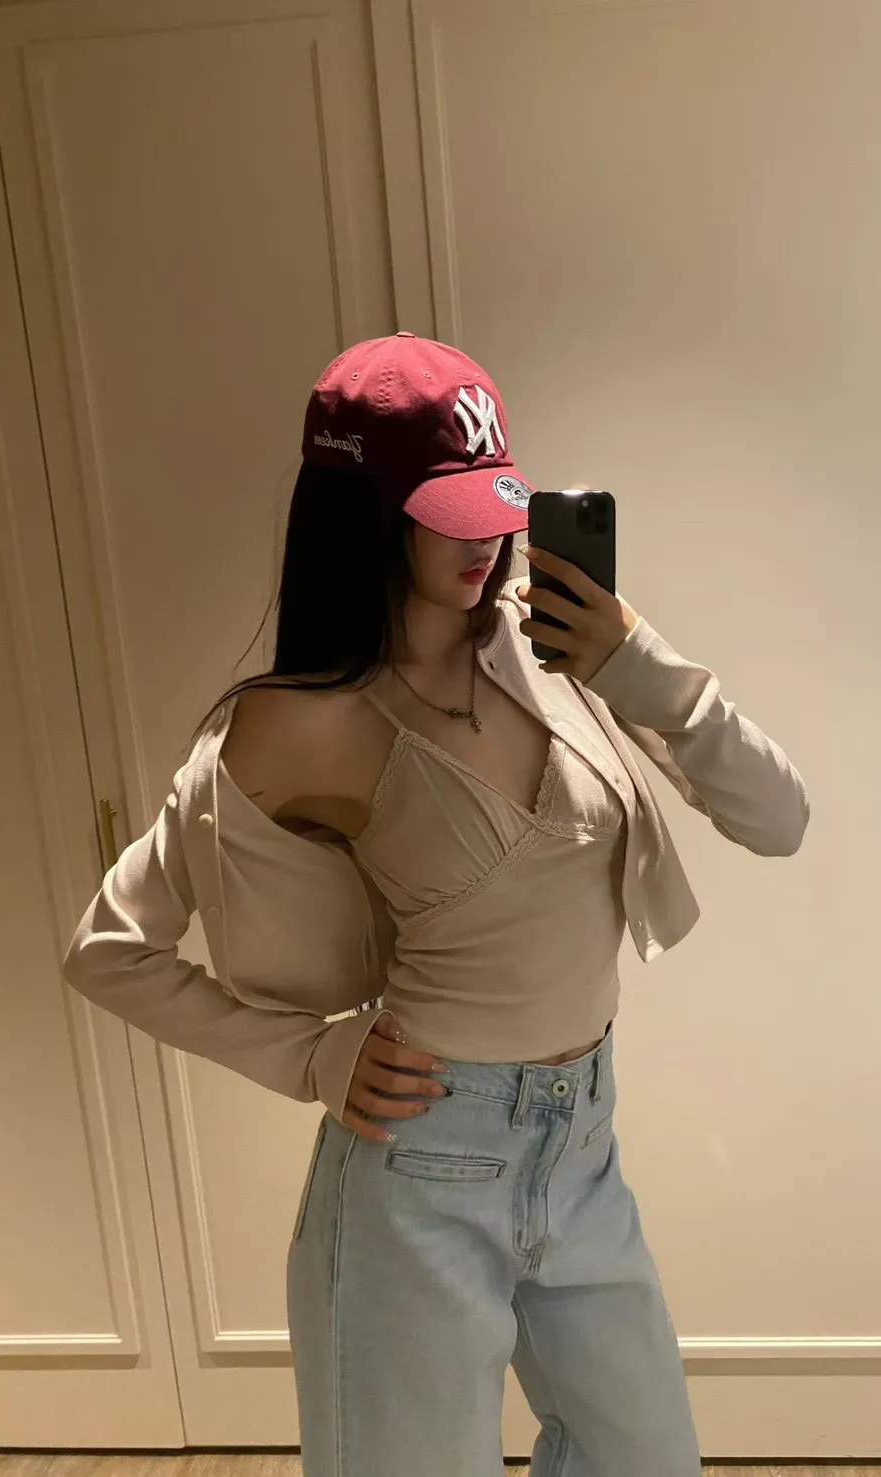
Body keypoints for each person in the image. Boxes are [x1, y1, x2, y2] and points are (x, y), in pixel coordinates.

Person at [64, 333, 809, 1477]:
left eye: (494, 503)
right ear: (363, 516)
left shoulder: (554, 642)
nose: (484, 540)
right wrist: (309, 1056)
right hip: (421, 1168)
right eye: (444, 513)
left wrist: (635, 662)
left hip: (580, 1151)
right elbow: (107, 949)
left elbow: (777, 817)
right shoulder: (300, 722)